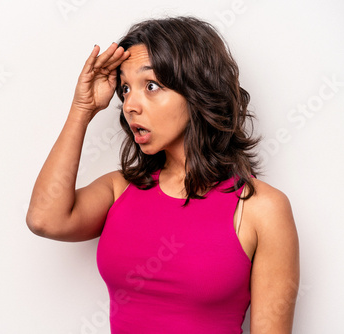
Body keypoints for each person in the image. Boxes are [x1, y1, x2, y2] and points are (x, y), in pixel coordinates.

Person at [26, 16, 299, 333]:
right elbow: (44, 219)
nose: (130, 105)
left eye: (151, 86)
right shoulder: (121, 189)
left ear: (198, 90)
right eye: (125, 89)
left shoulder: (261, 208)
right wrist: (82, 108)